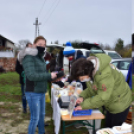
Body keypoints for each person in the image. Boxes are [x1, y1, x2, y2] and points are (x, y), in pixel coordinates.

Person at [70, 54, 132, 128]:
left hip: (120, 102)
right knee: (108, 127)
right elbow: (93, 89)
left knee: (115, 129)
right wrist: (82, 97)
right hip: (112, 101)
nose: (81, 81)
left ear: (85, 72)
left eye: (82, 78)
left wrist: (83, 105)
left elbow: (102, 97)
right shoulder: (91, 71)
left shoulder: (104, 74)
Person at [22, 36, 57, 134]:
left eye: (44, 45)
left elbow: (43, 74)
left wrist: (53, 77)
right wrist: (48, 75)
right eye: (40, 44)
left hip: (41, 91)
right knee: (35, 118)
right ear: (34, 45)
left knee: (42, 116)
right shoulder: (28, 57)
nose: (42, 46)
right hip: (33, 92)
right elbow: (32, 76)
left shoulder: (40, 58)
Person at [15, 43, 32, 113]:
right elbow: (17, 68)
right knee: (24, 95)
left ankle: (31, 108)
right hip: (23, 79)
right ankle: (25, 109)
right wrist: (22, 72)